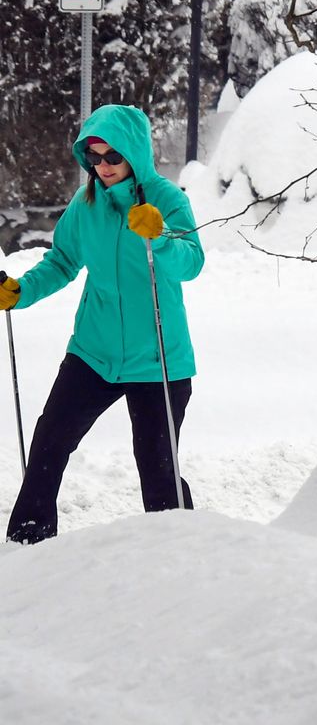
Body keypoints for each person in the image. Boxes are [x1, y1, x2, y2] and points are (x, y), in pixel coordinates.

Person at [0, 104, 205, 544]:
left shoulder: (167, 200)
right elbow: (63, 261)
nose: (104, 166)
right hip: (94, 352)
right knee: (50, 440)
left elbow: (192, 263)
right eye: (94, 157)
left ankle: (181, 549)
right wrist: (21, 291)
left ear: (134, 153)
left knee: (158, 469)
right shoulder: (86, 202)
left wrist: (161, 237)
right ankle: (27, 541)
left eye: (113, 156)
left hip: (158, 358)